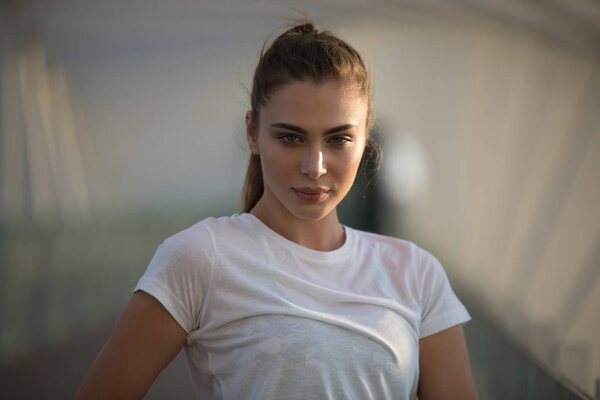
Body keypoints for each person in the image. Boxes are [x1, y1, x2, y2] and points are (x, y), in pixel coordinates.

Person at [76, 19, 478, 400]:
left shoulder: (416, 274)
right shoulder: (201, 258)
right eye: (290, 137)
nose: (314, 166)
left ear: (365, 137)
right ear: (252, 132)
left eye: (338, 140)